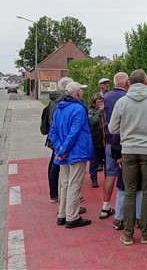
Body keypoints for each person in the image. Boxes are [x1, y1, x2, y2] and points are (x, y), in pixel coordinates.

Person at [110, 69, 147, 246]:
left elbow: (112, 128)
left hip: (128, 150)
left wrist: (126, 130)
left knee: (129, 191)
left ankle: (128, 234)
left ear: (130, 83)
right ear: (145, 81)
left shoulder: (122, 102)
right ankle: (145, 233)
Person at [48, 81, 93, 229]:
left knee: (65, 184)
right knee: (74, 184)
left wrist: (60, 148)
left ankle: (62, 214)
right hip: (76, 151)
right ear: (77, 93)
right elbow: (75, 132)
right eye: (81, 90)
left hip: (63, 152)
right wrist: (65, 149)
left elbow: (52, 132)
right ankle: (72, 216)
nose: (83, 92)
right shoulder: (78, 109)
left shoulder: (59, 109)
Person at [99, 72, 130, 220]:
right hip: (125, 141)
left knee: (110, 174)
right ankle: (125, 211)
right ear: (127, 82)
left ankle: (105, 206)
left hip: (110, 141)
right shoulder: (128, 98)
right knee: (128, 176)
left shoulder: (106, 97)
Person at [40, 76, 73, 203]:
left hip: (54, 138)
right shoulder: (63, 103)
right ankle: (62, 195)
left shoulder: (53, 101)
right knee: (59, 165)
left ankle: (54, 193)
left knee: (54, 165)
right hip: (61, 139)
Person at [87, 93, 105, 188]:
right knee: (94, 161)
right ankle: (93, 177)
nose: (101, 104)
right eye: (98, 102)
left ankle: (107, 177)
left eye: (102, 101)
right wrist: (99, 112)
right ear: (94, 103)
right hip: (95, 139)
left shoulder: (106, 111)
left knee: (107, 161)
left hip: (104, 139)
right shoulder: (90, 111)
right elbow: (93, 121)